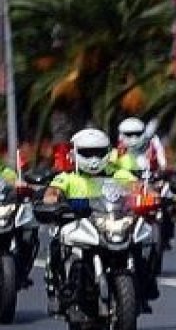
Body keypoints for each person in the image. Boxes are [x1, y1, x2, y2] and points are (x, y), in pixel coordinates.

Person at [43, 129, 141, 315]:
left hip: (109, 221)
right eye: (87, 153)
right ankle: (57, 289)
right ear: (74, 153)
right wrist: (54, 200)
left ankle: (143, 288)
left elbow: (137, 188)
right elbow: (52, 192)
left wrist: (146, 195)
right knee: (58, 241)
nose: (94, 158)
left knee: (140, 243)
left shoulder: (118, 174)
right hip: (78, 224)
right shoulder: (67, 177)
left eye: (99, 152)